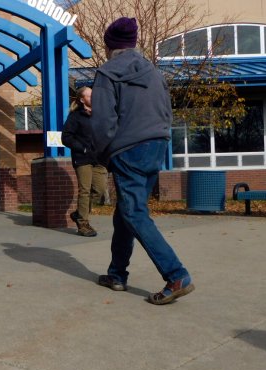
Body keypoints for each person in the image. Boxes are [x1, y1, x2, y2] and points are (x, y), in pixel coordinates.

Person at [90, 17, 194, 305]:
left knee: (134, 212)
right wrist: (160, 140)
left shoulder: (107, 74)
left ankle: (177, 274)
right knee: (126, 210)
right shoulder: (154, 73)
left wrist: (101, 153)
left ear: (110, 45)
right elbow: (166, 112)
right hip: (156, 145)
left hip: (128, 149)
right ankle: (117, 274)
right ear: (133, 43)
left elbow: (102, 122)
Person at [61, 86, 108, 237]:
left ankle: (78, 213)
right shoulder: (75, 116)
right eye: (89, 96)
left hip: (99, 159)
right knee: (85, 190)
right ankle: (83, 224)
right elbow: (66, 137)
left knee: (99, 190)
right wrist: (83, 149)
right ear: (82, 100)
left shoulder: (100, 115)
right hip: (83, 159)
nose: (93, 98)